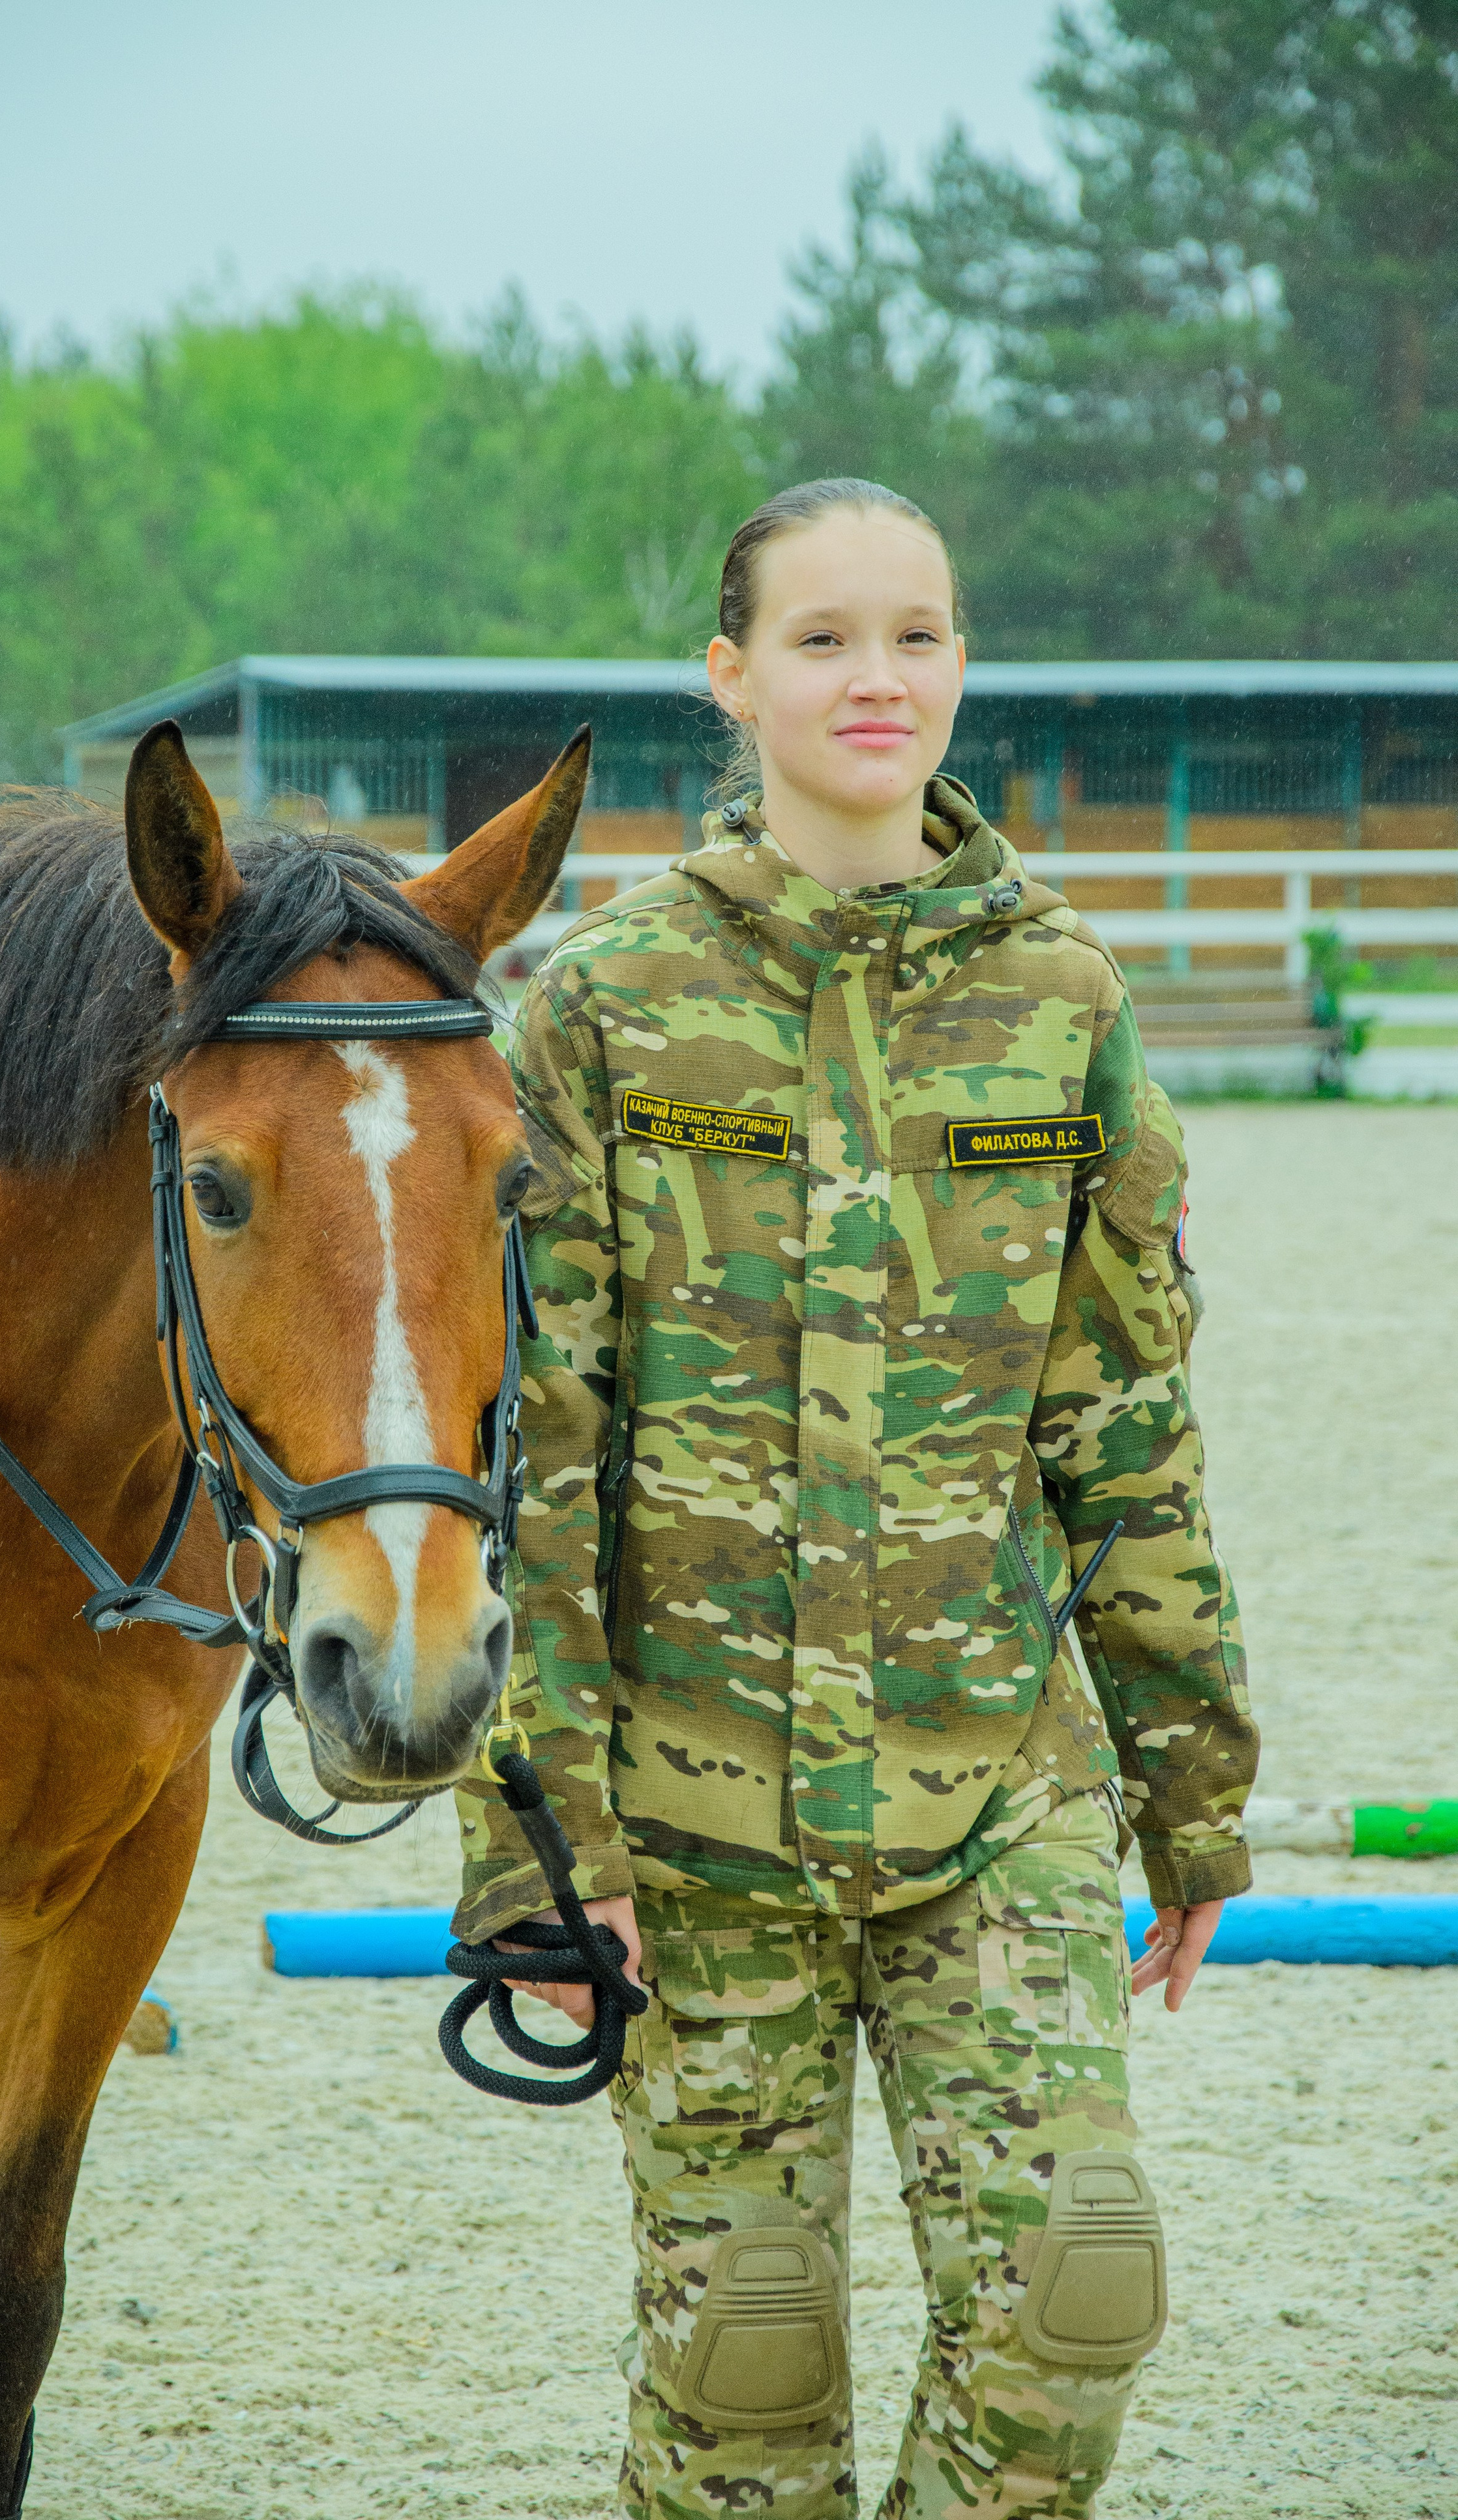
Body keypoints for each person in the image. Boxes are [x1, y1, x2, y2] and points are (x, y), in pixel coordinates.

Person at [453, 477, 1258, 2519]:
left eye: (916, 634)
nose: (875, 677)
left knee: (1078, 2299)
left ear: (963, 661)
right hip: (697, 1821)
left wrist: (1193, 1784)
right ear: (729, 677)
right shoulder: (604, 1011)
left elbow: (1121, 1416)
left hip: (999, 1788)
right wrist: (538, 1841)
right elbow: (534, 1454)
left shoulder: (1063, 999)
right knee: (750, 2374)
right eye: (822, 638)